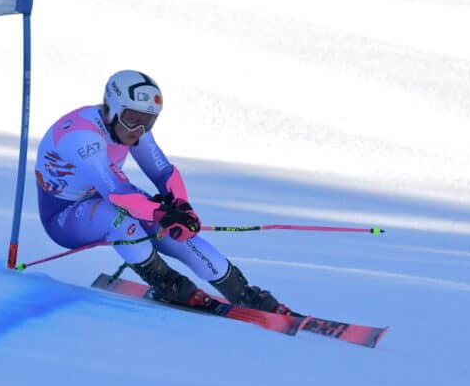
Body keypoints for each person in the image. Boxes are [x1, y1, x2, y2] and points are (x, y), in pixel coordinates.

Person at [35, 70, 292, 314]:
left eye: (148, 121)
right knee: (123, 221)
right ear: (111, 109)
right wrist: (162, 213)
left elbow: (163, 172)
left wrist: (181, 207)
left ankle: (242, 292)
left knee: (171, 228)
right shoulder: (82, 137)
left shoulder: (131, 129)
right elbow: (117, 192)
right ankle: (168, 284)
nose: (139, 130)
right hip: (64, 215)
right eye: (133, 119)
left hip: (103, 195)